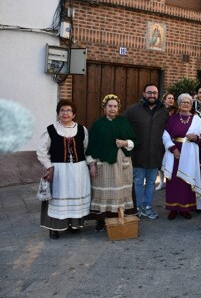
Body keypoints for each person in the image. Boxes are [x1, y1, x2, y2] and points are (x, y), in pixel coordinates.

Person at [36, 100, 91, 239]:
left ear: (74, 114)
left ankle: (74, 225)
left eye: (68, 111)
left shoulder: (82, 129)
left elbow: (87, 149)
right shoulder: (51, 130)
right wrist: (49, 166)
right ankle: (54, 227)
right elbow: (41, 151)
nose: (65, 113)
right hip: (59, 171)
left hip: (79, 170)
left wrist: (92, 164)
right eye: (62, 110)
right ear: (58, 113)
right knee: (57, 198)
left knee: (76, 196)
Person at [86, 94, 138, 231]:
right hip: (103, 165)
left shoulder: (123, 122)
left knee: (119, 194)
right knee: (103, 194)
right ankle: (101, 221)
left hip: (121, 164)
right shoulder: (98, 125)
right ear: (104, 108)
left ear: (118, 108)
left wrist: (125, 142)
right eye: (110, 106)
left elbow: (134, 140)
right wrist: (91, 164)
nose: (112, 109)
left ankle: (119, 218)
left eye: (115, 106)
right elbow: (90, 146)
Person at [123, 83, 169, 219]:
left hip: (155, 154)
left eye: (154, 93)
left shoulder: (163, 111)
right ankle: (136, 208)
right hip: (138, 153)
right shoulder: (133, 110)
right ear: (144, 94)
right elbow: (123, 127)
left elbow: (168, 131)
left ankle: (147, 207)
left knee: (150, 182)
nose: (152, 95)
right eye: (149, 92)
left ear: (158, 95)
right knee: (138, 181)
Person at [162, 93, 201, 220]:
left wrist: (195, 137)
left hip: (189, 153)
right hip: (175, 152)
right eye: (183, 102)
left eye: (188, 102)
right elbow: (165, 134)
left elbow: (200, 136)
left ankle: (185, 208)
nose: (186, 104)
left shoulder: (197, 119)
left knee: (186, 179)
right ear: (178, 105)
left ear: (191, 105)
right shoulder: (172, 118)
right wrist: (172, 148)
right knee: (174, 180)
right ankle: (173, 208)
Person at [156, 92, 177, 191]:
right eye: (169, 98)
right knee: (161, 160)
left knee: (171, 160)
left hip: (172, 138)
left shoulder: (176, 111)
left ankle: (171, 182)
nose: (171, 100)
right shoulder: (159, 110)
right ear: (164, 100)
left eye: (173, 98)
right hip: (160, 136)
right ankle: (161, 182)